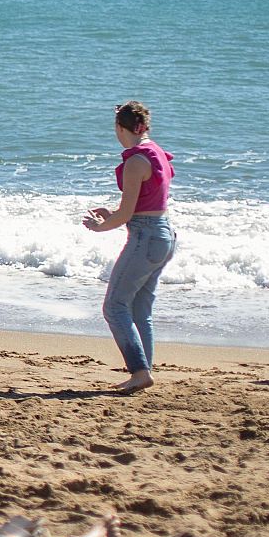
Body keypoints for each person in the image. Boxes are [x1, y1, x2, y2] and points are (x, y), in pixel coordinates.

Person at [82, 101, 176, 394]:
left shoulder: (136, 161)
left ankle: (139, 371)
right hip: (164, 234)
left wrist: (100, 226)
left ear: (119, 128)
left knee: (114, 306)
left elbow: (127, 214)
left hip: (146, 237)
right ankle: (143, 370)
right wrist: (114, 215)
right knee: (139, 308)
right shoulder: (156, 152)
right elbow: (142, 207)